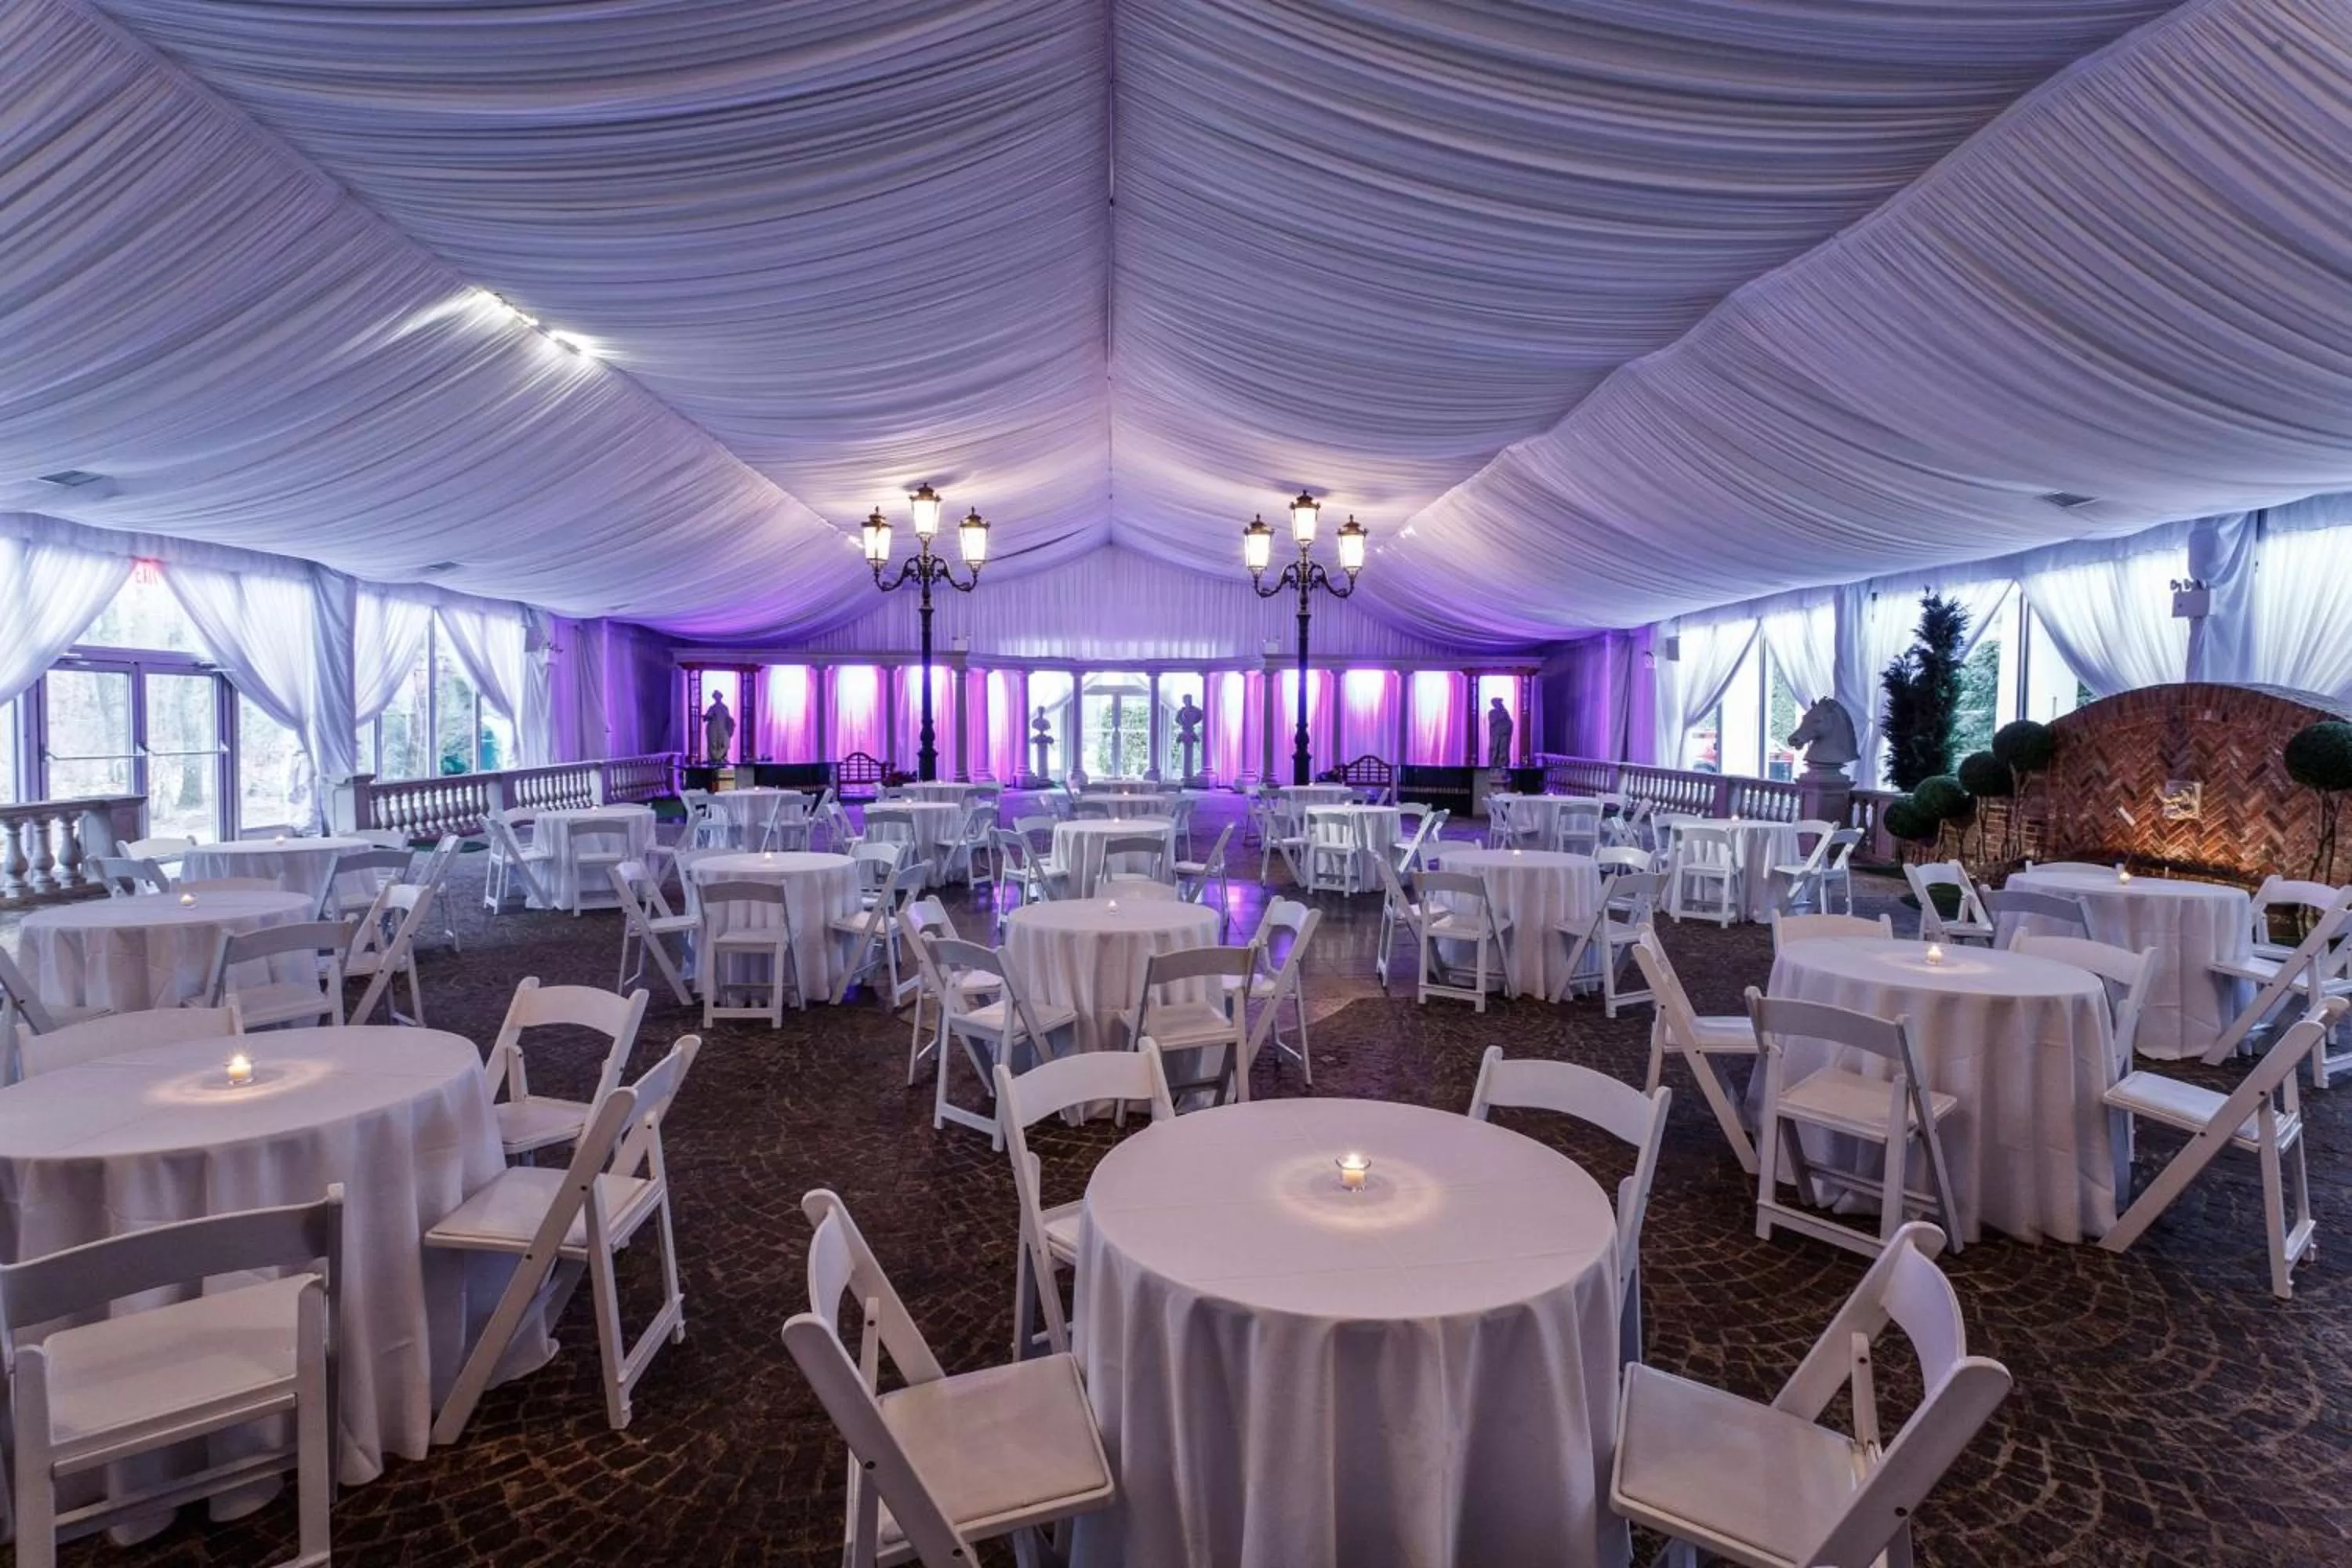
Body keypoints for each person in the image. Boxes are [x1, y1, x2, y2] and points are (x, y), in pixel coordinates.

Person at [703, 692, 735, 766]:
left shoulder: (725, 707)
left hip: (723, 729)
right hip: (714, 728)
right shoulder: (712, 707)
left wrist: (730, 725)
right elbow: (707, 717)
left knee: (723, 744)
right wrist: (707, 717)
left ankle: (721, 758)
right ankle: (714, 759)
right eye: (716, 697)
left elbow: (728, 719)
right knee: (713, 743)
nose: (717, 698)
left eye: (718, 697)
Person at [1486, 696, 1514, 770]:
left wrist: (1506, 728)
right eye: (1498, 703)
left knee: (1503, 750)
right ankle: (1493, 764)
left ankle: (1503, 765)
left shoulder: (1505, 712)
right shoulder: (1492, 712)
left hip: (1504, 735)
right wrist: (1499, 718)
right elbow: (1492, 722)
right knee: (1495, 750)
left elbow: (1509, 723)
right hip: (1496, 735)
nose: (1500, 705)